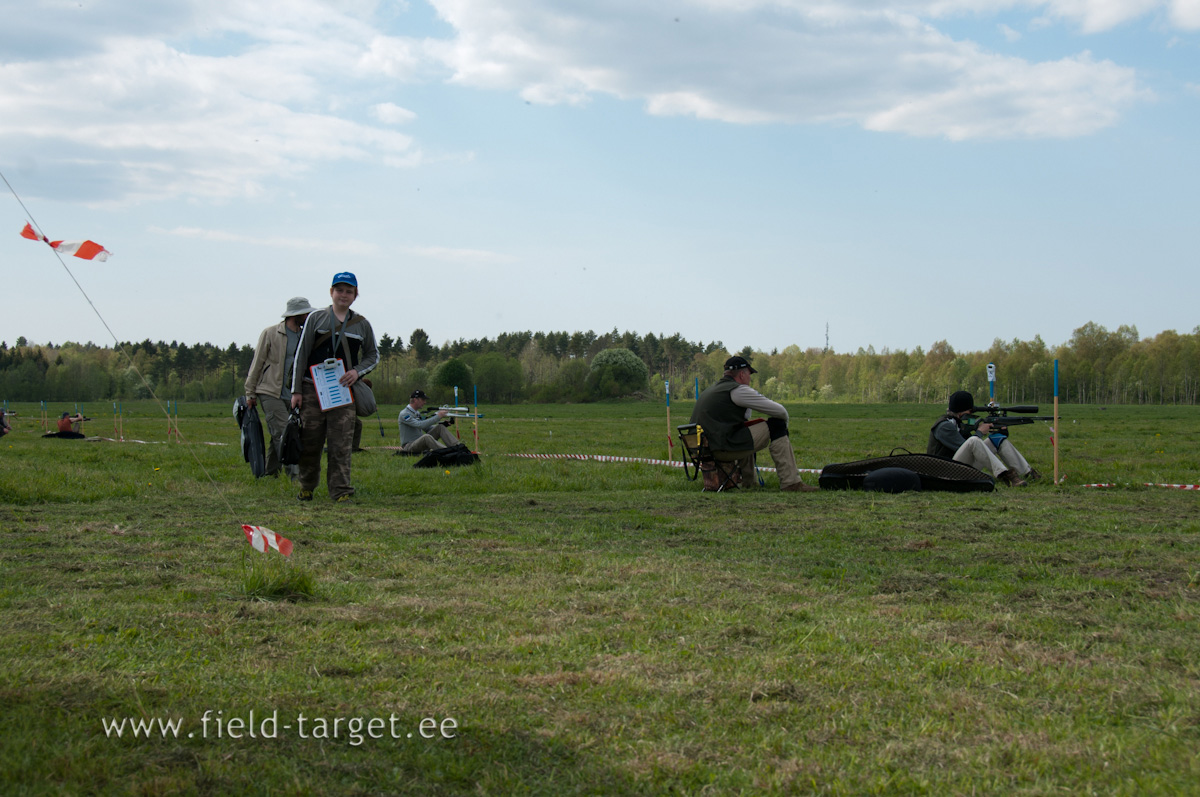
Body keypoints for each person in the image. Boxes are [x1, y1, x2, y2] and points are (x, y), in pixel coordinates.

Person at [289, 272, 379, 502]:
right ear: (331, 292)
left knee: (341, 443)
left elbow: (373, 355)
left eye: (349, 291)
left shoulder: (362, 324)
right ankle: (306, 486)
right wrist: (296, 391)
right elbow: (301, 355)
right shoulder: (316, 318)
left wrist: (356, 372)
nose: (344, 295)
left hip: (343, 392)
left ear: (355, 295)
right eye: (339, 290)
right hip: (312, 390)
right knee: (310, 441)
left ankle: (340, 491)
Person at [689, 355, 818, 492]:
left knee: (744, 430)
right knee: (777, 424)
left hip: (704, 450)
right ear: (742, 374)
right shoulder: (738, 390)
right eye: (749, 374)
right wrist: (784, 427)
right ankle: (791, 483)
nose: (750, 379)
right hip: (721, 449)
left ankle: (749, 482)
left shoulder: (711, 390)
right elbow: (780, 411)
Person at [244, 296, 314, 478]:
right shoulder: (270, 333)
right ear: (295, 314)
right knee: (284, 433)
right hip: (269, 391)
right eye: (305, 313)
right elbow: (257, 362)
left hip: (291, 394)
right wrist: (250, 392)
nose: (308, 316)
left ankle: (269, 473)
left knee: (281, 432)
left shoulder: (304, 336)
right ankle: (296, 478)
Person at [927, 391, 1042, 487]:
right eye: (970, 411)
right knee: (974, 441)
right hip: (944, 474)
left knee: (997, 439)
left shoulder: (956, 422)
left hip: (958, 467)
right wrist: (979, 432)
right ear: (961, 411)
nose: (972, 414)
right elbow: (966, 446)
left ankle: (1027, 472)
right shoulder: (944, 426)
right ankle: (1005, 475)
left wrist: (999, 432)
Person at [398, 390, 462, 454]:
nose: (425, 402)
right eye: (423, 399)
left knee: (440, 427)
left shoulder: (416, 413)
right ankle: (449, 452)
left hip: (418, 443)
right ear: (415, 400)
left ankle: (459, 447)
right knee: (426, 437)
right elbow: (420, 425)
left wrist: (443, 424)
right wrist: (438, 416)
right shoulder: (405, 414)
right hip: (409, 446)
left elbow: (427, 428)